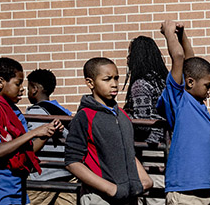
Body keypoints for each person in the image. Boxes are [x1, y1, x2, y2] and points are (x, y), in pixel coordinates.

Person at [0, 57, 63, 205]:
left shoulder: (15, 113)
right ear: (0, 83)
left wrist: (47, 133)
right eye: (18, 83)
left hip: (17, 187)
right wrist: (33, 133)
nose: (22, 89)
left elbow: (27, 149)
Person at [65, 57, 153, 204]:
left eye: (116, 78)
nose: (114, 84)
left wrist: (144, 180)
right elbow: (72, 162)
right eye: (107, 79)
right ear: (90, 82)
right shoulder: (84, 117)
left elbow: (128, 152)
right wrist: (110, 189)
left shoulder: (123, 115)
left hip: (129, 198)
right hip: (100, 199)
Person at [156, 20, 210, 205]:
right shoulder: (179, 101)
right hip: (184, 192)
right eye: (208, 86)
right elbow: (179, 58)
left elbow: (190, 61)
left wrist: (182, 35)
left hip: (203, 190)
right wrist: (169, 33)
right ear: (189, 83)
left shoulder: (197, 103)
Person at [123, 35, 169, 205]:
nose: (127, 59)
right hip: (165, 142)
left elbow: (142, 123)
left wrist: (124, 116)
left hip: (149, 147)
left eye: (130, 54)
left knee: (153, 194)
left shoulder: (141, 84)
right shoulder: (162, 80)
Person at [26, 68, 76, 205]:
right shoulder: (62, 111)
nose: (26, 92)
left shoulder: (35, 112)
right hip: (68, 174)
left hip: (44, 177)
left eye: (28, 88)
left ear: (35, 89)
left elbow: (32, 144)